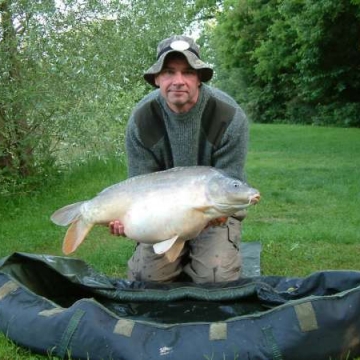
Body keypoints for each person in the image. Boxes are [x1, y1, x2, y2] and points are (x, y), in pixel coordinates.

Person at [110, 35, 249, 284]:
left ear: (199, 78)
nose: (179, 81)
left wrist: (204, 218)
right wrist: (130, 221)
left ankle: (204, 255)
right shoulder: (142, 120)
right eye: (169, 72)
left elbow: (232, 185)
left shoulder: (228, 116)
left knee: (216, 279)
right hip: (161, 214)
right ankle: (175, 255)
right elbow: (139, 187)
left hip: (213, 212)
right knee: (146, 279)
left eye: (187, 72)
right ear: (156, 79)